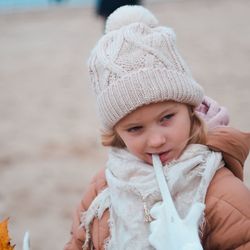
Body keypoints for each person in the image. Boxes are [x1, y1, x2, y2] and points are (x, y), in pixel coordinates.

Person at [64, 6, 250, 250]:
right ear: (116, 133)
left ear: (190, 109)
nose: (156, 140)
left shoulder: (219, 192)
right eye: (135, 129)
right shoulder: (103, 189)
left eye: (166, 118)